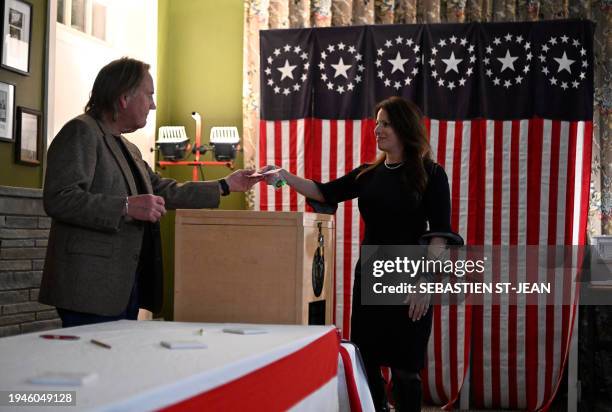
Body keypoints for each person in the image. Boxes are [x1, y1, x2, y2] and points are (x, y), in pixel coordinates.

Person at [260, 96, 458, 411]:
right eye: (377, 122)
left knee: (406, 369)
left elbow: (440, 235)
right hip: (370, 276)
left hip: (410, 281)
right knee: (368, 361)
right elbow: (324, 191)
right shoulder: (368, 174)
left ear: (405, 129)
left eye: (386, 124)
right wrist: (283, 175)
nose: (376, 129)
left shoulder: (431, 174)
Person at [39, 57, 261, 328]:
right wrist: (125, 207)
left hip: (122, 286)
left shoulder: (128, 147)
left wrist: (226, 185)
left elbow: (160, 190)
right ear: (123, 98)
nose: (153, 104)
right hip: (89, 288)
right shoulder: (81, 132)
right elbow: (59, 198)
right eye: (149, 95)